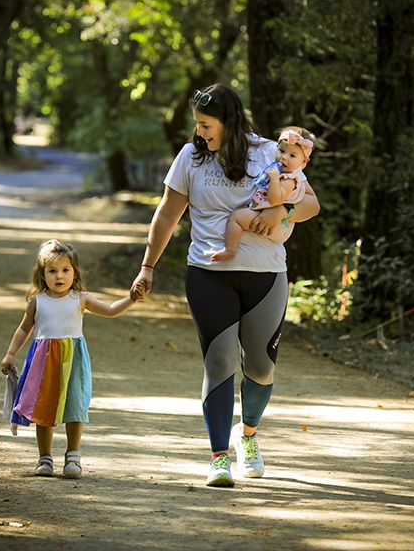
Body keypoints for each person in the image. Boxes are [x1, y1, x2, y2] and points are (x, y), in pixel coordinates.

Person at [130, 84, 320, 487]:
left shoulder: (271, 151)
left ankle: (247, 435)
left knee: (262, 368)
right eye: (196, 125)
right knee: (220, 363)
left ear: (230, 122)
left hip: (266, 275)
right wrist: (148, 266)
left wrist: (283, 208)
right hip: (207, 273)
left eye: (205, 125)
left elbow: (310, 205)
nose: (199, 133)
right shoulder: (190, 158)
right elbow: (167, 215)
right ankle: (219, 457)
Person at [1, 239, 141, 479]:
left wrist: (131, 299)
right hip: (43, 363)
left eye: (65, 270)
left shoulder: (81, 299)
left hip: (73, 361)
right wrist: (11, 353)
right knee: (44, 409)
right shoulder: (37, 301)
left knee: (75, 407)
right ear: (42, 274)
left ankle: (73, 457)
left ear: (74, 273)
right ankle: (44, 459)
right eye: (52, 271)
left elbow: (110, 310)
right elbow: (24, 329)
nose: (59, 276)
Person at [210, 126, 315, 262]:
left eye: (292, 155)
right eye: (281, 151)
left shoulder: (290, 179)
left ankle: (230, 249)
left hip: (275, 223)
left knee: (236, 218)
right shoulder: (283, 172)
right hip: (269, 216)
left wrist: (274, 179)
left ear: (304, 162)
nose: (284, 158)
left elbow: (275, 200)